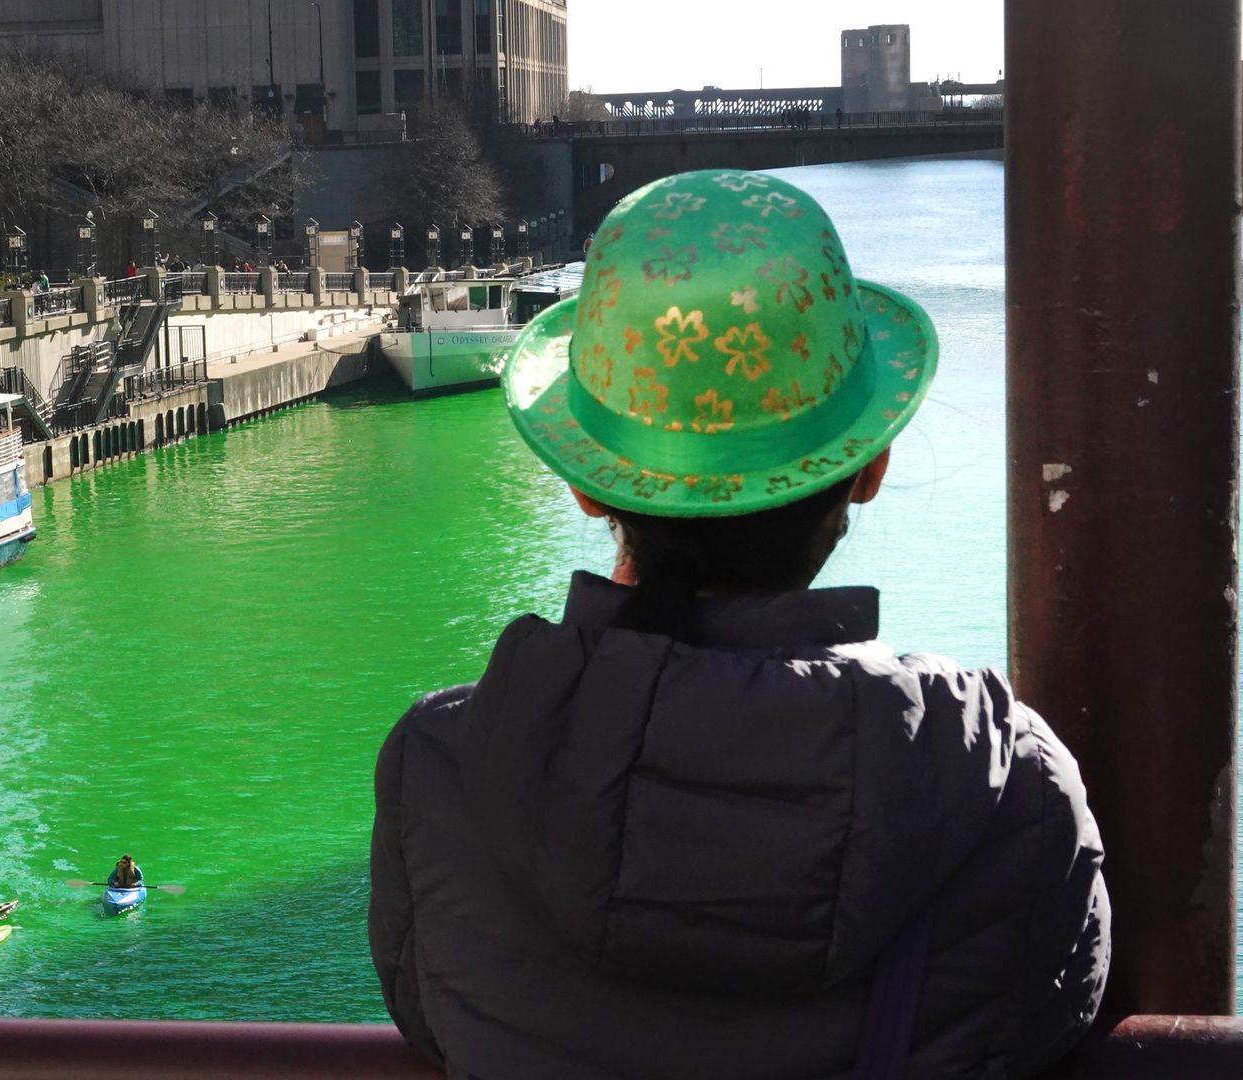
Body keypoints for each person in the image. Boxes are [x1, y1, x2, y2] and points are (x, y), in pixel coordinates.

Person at [368, 170, 1108, 1079]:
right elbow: (1055, 1018)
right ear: (866, 469)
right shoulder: (1011, 787)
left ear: (587, 484)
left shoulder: (442, 769)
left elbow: (429, 1017)